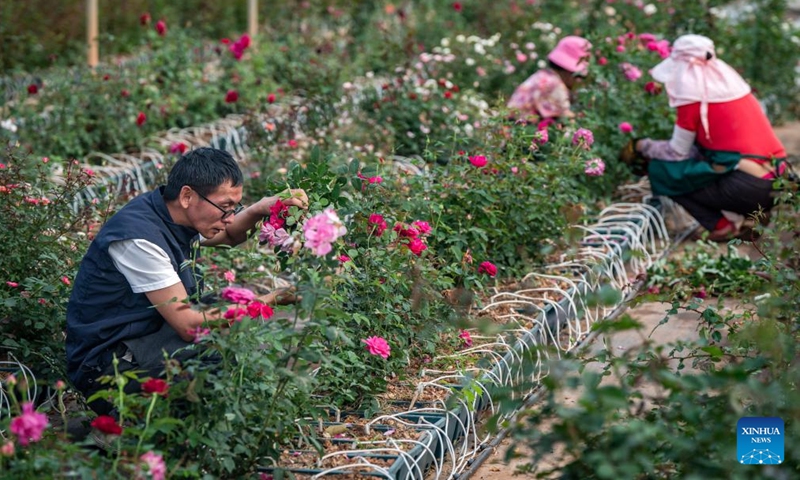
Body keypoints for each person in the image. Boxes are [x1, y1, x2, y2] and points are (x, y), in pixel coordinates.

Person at [66, 147, 308, 414]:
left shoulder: (171, 213)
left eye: (234, 208)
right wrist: (269, 300)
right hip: (107, 370)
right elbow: (189, 327)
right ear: (187, 196)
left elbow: (229, 236)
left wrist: (261, 208)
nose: (229, 219)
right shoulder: (139, 239)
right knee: (219, 352)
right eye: (224, 207)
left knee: (224, 308)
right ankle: (135, 422)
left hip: (144, 338)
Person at [634, 34, 787, 241]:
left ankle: (722, 225)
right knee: (707, 163)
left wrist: (644, 146)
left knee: (663, 171)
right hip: (779, 181)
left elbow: (677, 152)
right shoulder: (736, 91)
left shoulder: (692, 99)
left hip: (748, 187)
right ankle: (754, 215)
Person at [507, 35, 592, 124]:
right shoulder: (553, 85)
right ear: (569, 72)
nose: (579, 81)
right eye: (579, 77)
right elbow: (565, 119)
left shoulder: (545, 76)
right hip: (517, 127)